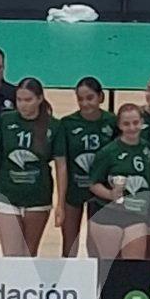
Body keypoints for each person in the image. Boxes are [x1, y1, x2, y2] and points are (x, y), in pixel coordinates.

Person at [0, 78, 67, 257]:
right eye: (19, 100)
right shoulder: (5, 120)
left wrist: (61, 204)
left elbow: (61, 165)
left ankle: (25, 285)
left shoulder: (53, 125)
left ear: (40, 99)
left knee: (28, 253)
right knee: (11, 254)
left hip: (38, 196)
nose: (23, 105)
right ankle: (9, 285)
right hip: (7, 195)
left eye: (28, 100)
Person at [60, 77, 116, 258]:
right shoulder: (67, 123)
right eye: (80, 99)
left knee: (95, 244)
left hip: (100, 191)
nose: (85, 103)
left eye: (90, 98)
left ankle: (96, 283)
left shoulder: (112, 122)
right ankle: (67, 282)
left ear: (101, 97)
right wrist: (60, 202)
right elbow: (61, 163)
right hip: (74, 189)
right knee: (69, 242)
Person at [88, 103, 150, 260]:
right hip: (109, 214)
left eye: (136, 123)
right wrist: (111, 194)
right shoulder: (108, 152)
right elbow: (93, 183)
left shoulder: (149, 150)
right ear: (119, 125)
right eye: (126, 123)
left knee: (132, 265)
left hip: (137, 214)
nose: (132, 127)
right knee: (109, 266)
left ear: (142, 122)